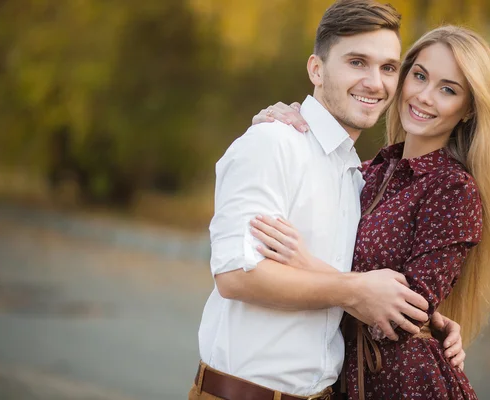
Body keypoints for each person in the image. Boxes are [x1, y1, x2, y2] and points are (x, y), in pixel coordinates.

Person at [191, 2, 466, 400]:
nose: (375, 82)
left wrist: (427, 321)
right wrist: (355, 292)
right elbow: (236, 276)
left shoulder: (358, 176)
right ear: (316, 70)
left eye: (388, 68)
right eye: (357, 62)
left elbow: (349, 275)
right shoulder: (273, 143)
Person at [250, 25, 490, 399]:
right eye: (420, 76)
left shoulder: (453, 189)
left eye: (448, 89)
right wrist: (293, 118)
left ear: (469, 108)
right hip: (339, 380)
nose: (424, 96)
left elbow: (399, 316)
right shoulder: (369, 171)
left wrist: (305, 262)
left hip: (406, 386)